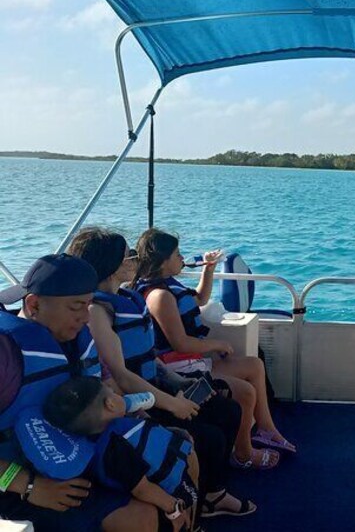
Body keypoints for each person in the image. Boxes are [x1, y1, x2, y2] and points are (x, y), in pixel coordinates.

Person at [67, 227, 256, 517]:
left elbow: (147, 355)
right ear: (111, 266)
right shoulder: (97, 311)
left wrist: (178, 381)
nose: (133, 259)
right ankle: (208, 498)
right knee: (209, 436)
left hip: (154, 385)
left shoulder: (127, 297)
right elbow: (119, 374)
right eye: (126, 256)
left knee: (226, 409)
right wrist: (172, 403)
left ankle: (212, 488)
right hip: (134, 400)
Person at [0, 254, 158, 532]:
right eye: (76, 307)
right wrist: (29, 486)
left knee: (176, 458)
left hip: (79, 458)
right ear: (34, 304)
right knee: (140, 519)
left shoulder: (73, 341)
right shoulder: (6, 356)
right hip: (18, 482)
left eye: (88, 305)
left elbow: (102, 391)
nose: (86, 317)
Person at [133, 228, 294, 471]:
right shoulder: (158, 296)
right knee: (245, 392)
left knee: (254, 365)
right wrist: (218, 344)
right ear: (163, 260)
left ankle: (266, 430)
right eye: (177, 254)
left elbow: (198, 298)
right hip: (177, 371)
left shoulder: (169, 288)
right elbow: (180, 344)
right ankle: (243, 453)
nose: (181, 258)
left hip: (193, 362)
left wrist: (208, 268)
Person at [44, 376, 200, 532]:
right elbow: (142, 489)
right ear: (110, 404)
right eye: (112, 392)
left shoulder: (114, 427)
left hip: (169, 470)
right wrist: (174, 509)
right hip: (166, 492)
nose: (118, 395)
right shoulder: (114, 452)